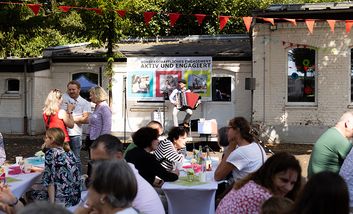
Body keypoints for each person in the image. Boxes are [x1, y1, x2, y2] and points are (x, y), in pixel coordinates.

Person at [88, 134, 165, 214]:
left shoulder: (119, 178)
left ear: (118, 157)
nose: (96, 167)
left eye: (101, 162)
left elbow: (94, 205)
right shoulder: (125, 171)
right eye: (93, 162)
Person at [216, 152, 302, 214]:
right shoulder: (264, 198)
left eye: (293, 183)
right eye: (284, 180)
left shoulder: (251, 184)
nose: (288, 188)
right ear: (270, 175)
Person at [28, 128, 81, 207]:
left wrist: (52, 206)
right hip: (75, 197)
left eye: (46, 138)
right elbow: (60, 171)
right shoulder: (69, 151)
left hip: (63, 200)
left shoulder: (51, 152)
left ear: (52, 140)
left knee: (29, 193)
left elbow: (50, 181)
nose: (44, 140)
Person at [214, 117, 267, 182]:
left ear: (237, 130)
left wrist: (230, 148)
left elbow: (217, 176)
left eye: (229, 128)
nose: (227, 132)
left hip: (244, 189)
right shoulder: (256, 145)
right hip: (257, 185)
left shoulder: (240, 152)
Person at [307, 111, 353, 178]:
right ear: (347, 124)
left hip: (315, 181)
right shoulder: (339, 140)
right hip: (325, 185)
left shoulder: (331, 132)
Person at [62, 80, 91, 174]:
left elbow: (86, 119)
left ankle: (78, 179)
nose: (71, 91)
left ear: (79, 90)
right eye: (69, 89)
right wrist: (78, 118)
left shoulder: (85, 103)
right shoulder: (63, 98)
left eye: (73, 89)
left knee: (76, 158)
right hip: (63, 133)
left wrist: (70, 118)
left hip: (75, 133)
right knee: (64, 158)